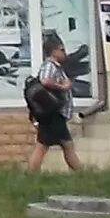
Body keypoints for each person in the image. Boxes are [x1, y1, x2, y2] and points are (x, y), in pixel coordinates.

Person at [25, 35, 81, 173]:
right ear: (53, 51)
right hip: (53, 114)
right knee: (65, 145)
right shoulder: (50, 65)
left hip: (53, 114)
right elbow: (45, 81)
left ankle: (30, 174)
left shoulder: (57, 67)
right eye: (61, 49)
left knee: (44, 145)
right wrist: (63, 86)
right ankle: (81, 173)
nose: (64, 53)